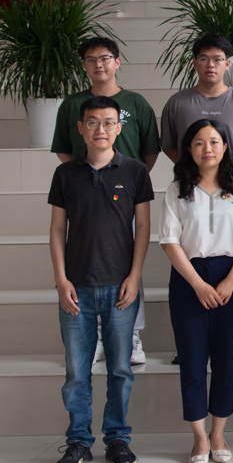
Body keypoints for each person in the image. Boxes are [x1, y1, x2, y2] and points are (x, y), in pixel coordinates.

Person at [48, 95, 154, 463]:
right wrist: (61, 279)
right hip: (76, 287)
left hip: (120, 287)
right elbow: (57, 229)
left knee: (120, 370)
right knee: (77, 372)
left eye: (108, 122)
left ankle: (117, 439)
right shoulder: (66, 174)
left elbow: (143, 227)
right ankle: (78, 441)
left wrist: (134, 276)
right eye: (92, 122)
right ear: (80, 128)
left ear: (119, 127)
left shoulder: (135, 171)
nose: (100, 129)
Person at [51, 36, 159, 365]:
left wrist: (129, 178)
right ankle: (95, 336)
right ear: (83, 64)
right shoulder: (72, 104)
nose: (99, 64)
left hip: (126, 193)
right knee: (89, 264)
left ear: (117, 62)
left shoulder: (136, 102)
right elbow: (64, 149)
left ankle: (133, 334)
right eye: (91, 59)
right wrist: (85, 174)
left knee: (129, 266)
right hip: (86, 188)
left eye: (105, 58)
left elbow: (150, 150)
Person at [160, 119, 233, 463]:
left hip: (232, 276)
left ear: (225, 147)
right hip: (189, 278)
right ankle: (199, 436)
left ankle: (218, 433)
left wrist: (231, 280)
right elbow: (169, 239)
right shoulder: (177, 189)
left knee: (226, 358)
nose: (207, 149)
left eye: (214, 142)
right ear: (189, 149)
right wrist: (198, 284)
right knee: (192, 359)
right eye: (199, 143)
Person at [161, 34, 233, 180]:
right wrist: (191, 167)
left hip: (232, 183)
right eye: (204, 59)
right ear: (195, 63)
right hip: (190, 183)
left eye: (217, 59)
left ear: (227, 64)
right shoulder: (177, 102)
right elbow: (169, 145)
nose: (211, 65)